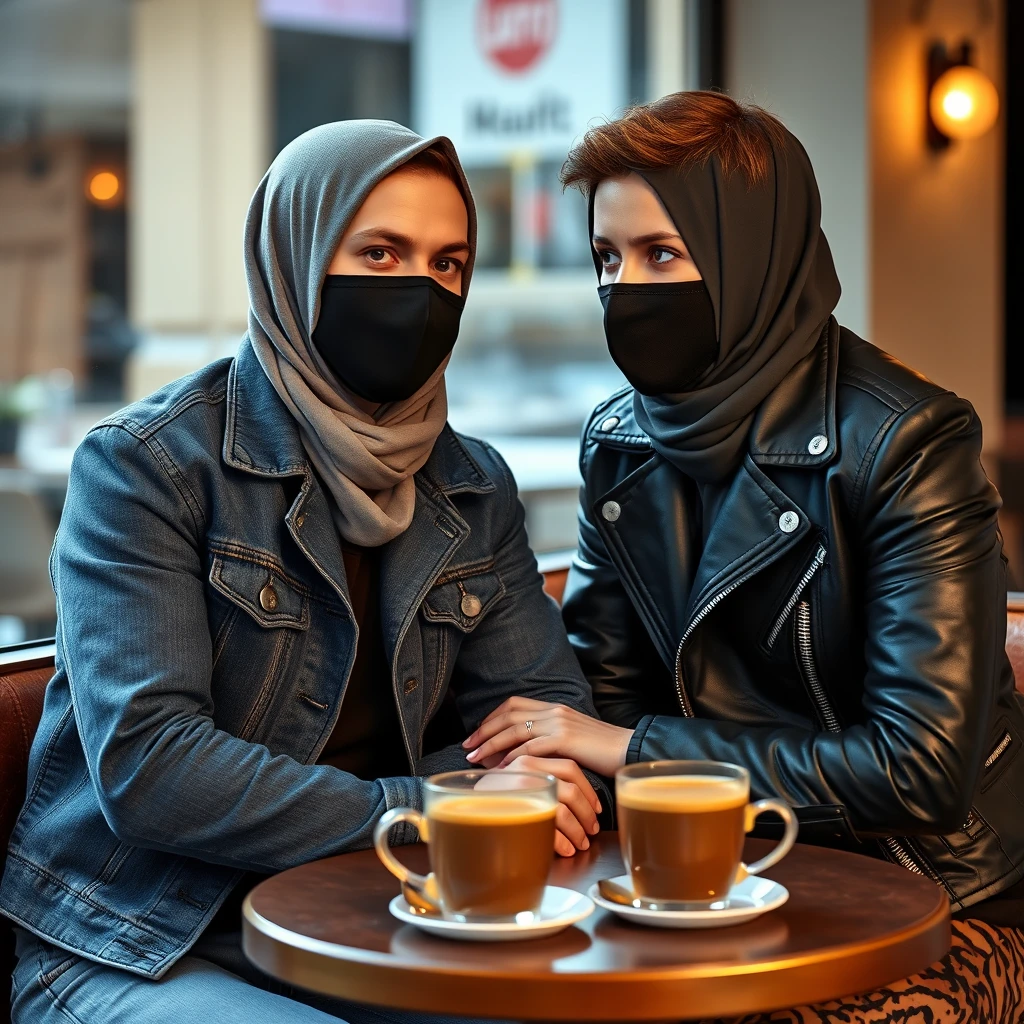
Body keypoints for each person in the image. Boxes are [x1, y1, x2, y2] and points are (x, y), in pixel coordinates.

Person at [0, 120, 608, 1024]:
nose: (418, 288)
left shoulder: (473, 483)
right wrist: (435, 806)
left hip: (387, 921)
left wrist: (493, 795)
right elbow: (153, 770)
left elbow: (548, 732)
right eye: (380, 251)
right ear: (296, 256)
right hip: (142, 943)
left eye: (448, 263)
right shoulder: (145, 466)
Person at [463, 92, 1024, 1020]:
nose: (627, 290)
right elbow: (596, 683)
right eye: (609, 258)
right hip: (695, 876)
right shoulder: (621, 442)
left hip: (928, 893)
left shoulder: (907, 442)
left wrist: (635, 751)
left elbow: (919, 768)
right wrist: (535, 771)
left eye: (661, 255)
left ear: (751, 256)